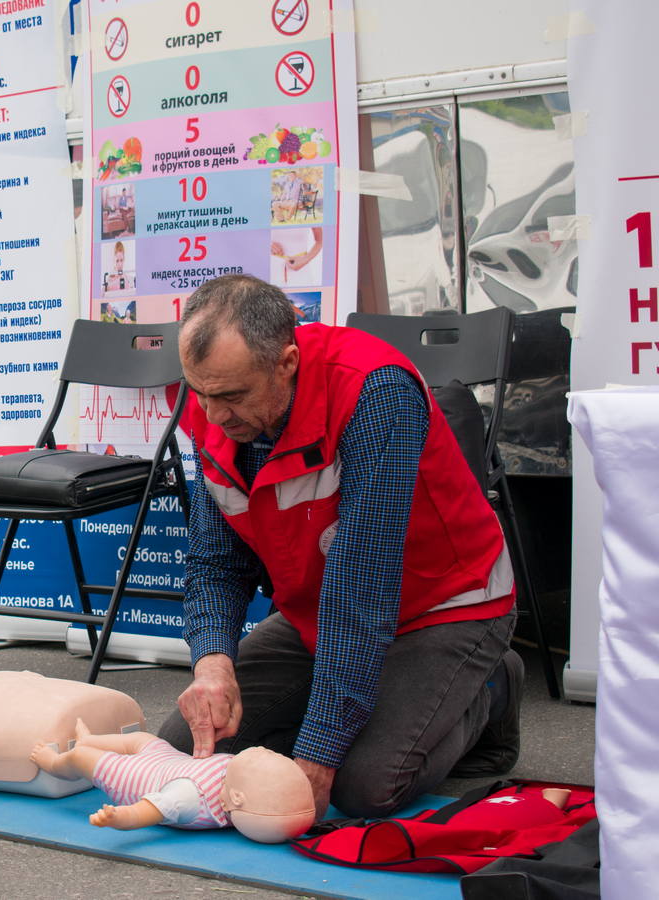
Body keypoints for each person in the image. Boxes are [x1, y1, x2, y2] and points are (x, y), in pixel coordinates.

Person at [158, 274, 523, 821]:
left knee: (363, 789)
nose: (213, 416)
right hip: (320, 611)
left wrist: (321, 749)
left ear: (286, 362)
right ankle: (358, 702)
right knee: (189, 749)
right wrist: (214, 663)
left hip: (444, 605)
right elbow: (216, 560)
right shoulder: (213, 401)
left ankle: (492, 687)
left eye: (231, 396)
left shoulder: (375, 392)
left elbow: (363, 581)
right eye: (201, 392)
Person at [29, 719, 315, 842]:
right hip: (167, 760)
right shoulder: (239, 784)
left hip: (135, 778)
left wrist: (120, 816)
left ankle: (55, 763)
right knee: (144, 739)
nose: (268, 753)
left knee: (83, 757)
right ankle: (90, 737)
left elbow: (149, 810)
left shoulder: (189, 797)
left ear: (237, 798)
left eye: (264, 759)